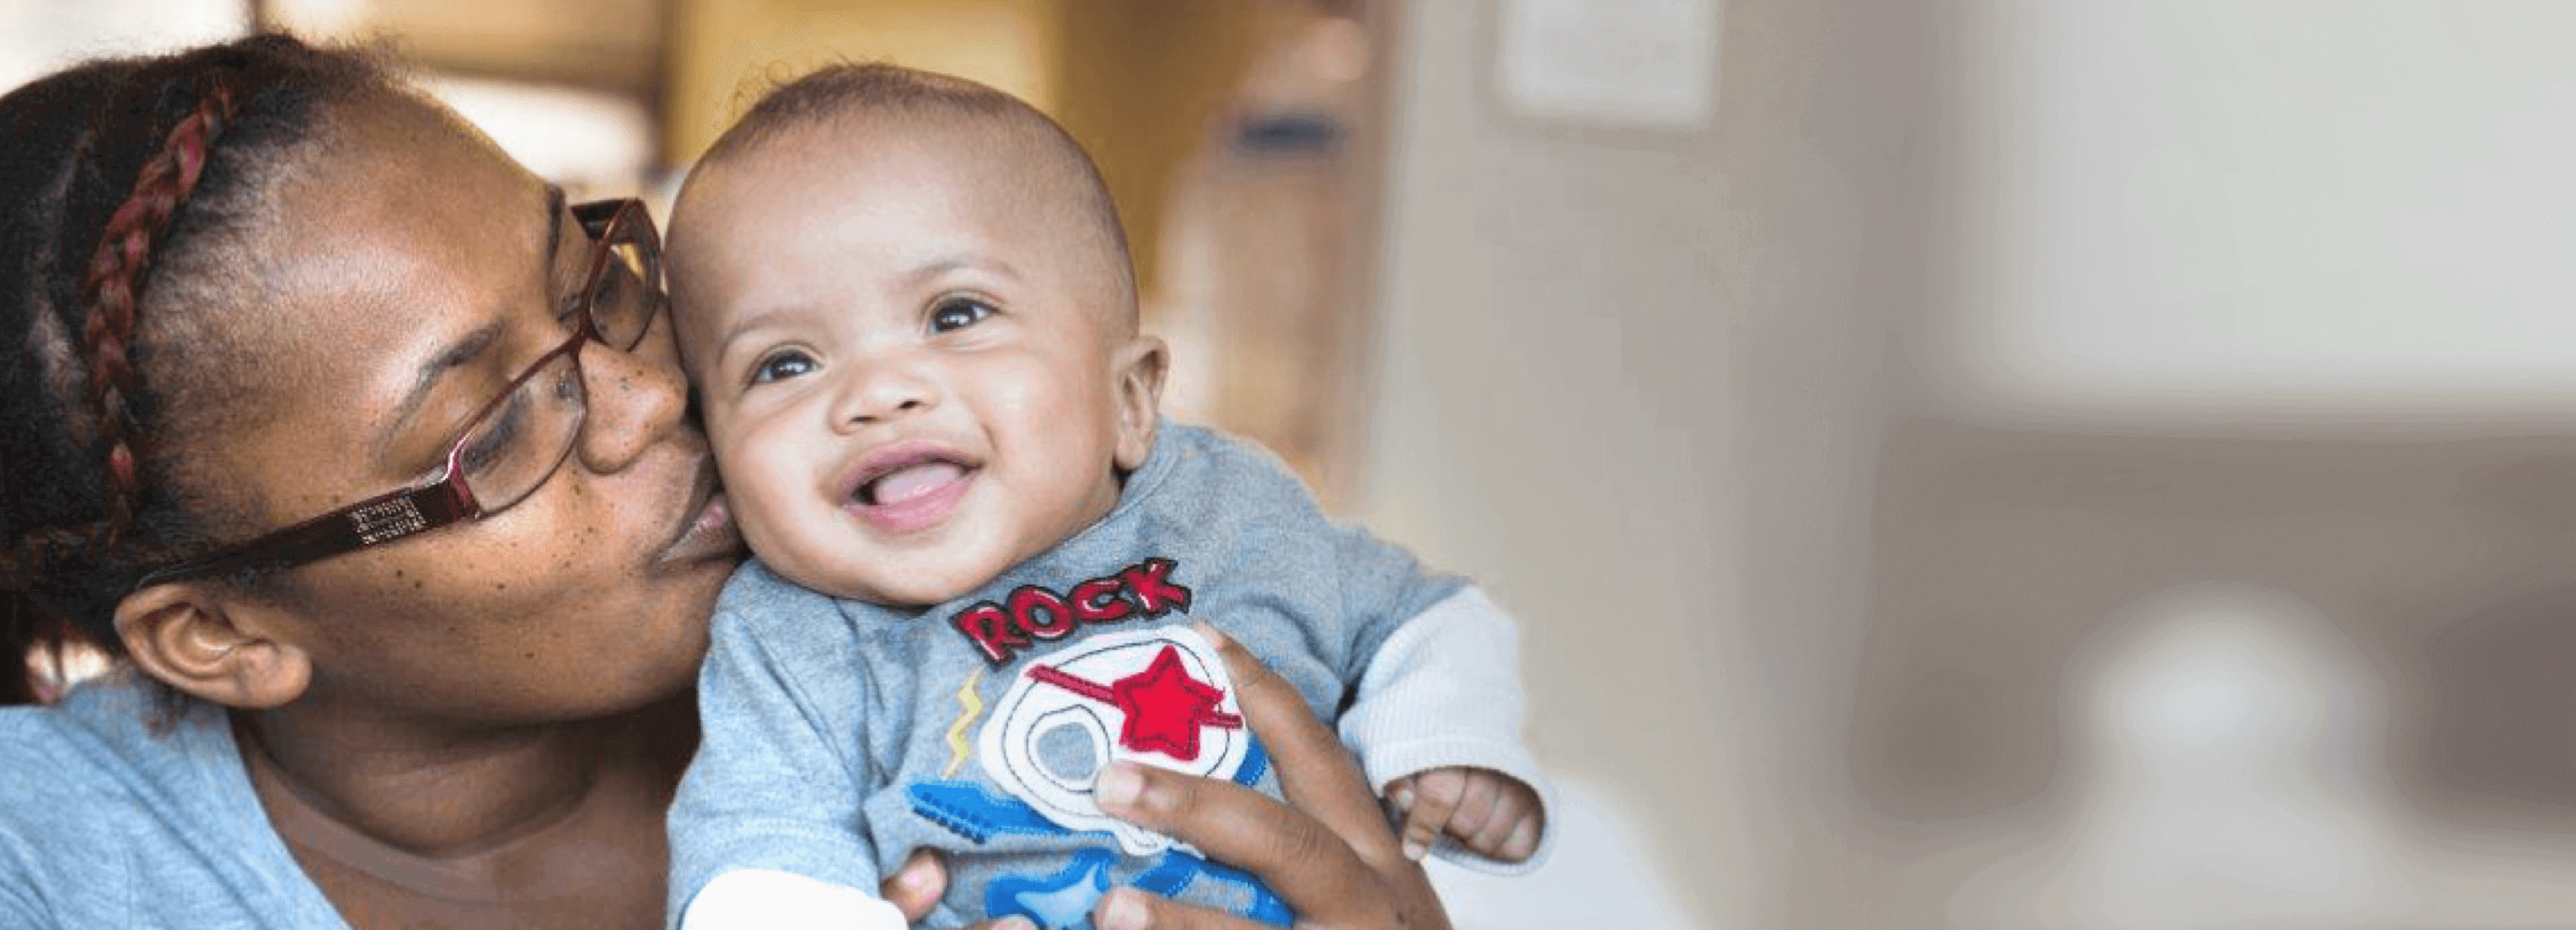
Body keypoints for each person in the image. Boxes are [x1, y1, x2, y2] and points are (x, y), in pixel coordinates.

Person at [0, 34, 1464, 930]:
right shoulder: (55, 866)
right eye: (502, 424)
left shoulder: (945, 585)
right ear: (220, 638)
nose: (656, 394)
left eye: (597, 282)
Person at [660, 63, 1550, 930]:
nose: (876, 393)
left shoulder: (1231, 508)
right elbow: (760, 863)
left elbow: (1421, 615)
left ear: (1129, 401)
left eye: (956, 313)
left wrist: (1444, 745)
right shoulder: (789, 637)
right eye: (784, 364)